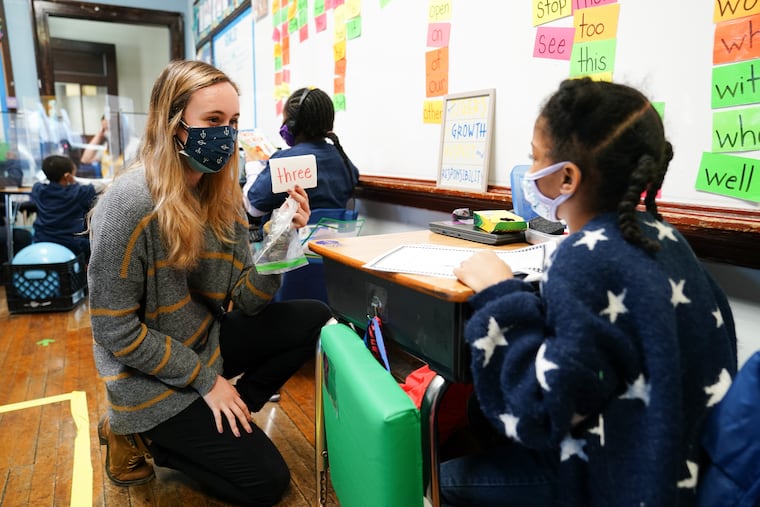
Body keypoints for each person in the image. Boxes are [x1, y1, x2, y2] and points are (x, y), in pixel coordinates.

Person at [440, 78, 738, 507]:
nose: (529, 172)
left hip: (616, 479)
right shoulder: (665, 238)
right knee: (476, 419)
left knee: (443, 479)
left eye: (534, 159)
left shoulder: (582, 258)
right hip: (677, 464)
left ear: (566, 177)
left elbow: (539, 410)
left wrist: (500, 292)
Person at [88, 60, 332, 506]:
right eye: (213, 121)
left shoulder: (222, 193)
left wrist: (282, 236)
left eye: (233, 121)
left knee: (315, 317)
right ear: (173, 124)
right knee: (265, 483)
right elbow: (114, 330)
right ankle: (145, 437)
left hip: (204, 342)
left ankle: (229, 410)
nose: (226, 134)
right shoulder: (129, 204)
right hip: (148, 379)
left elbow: (246, 300)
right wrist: (204, 381)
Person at [246, 87, 359, 219]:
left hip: (291, 238)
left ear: (291, 125)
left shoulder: (283, 162)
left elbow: (254, 208)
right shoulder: (343, 160)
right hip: (333, 239)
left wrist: (253, 167)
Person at [30, 154, 99, 259]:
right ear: (68, 176)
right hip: (71, 244)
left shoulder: (38, 190)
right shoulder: (80, 192)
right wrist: (74, 181)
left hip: (42, 240)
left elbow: (39, 183)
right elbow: (96, 187)